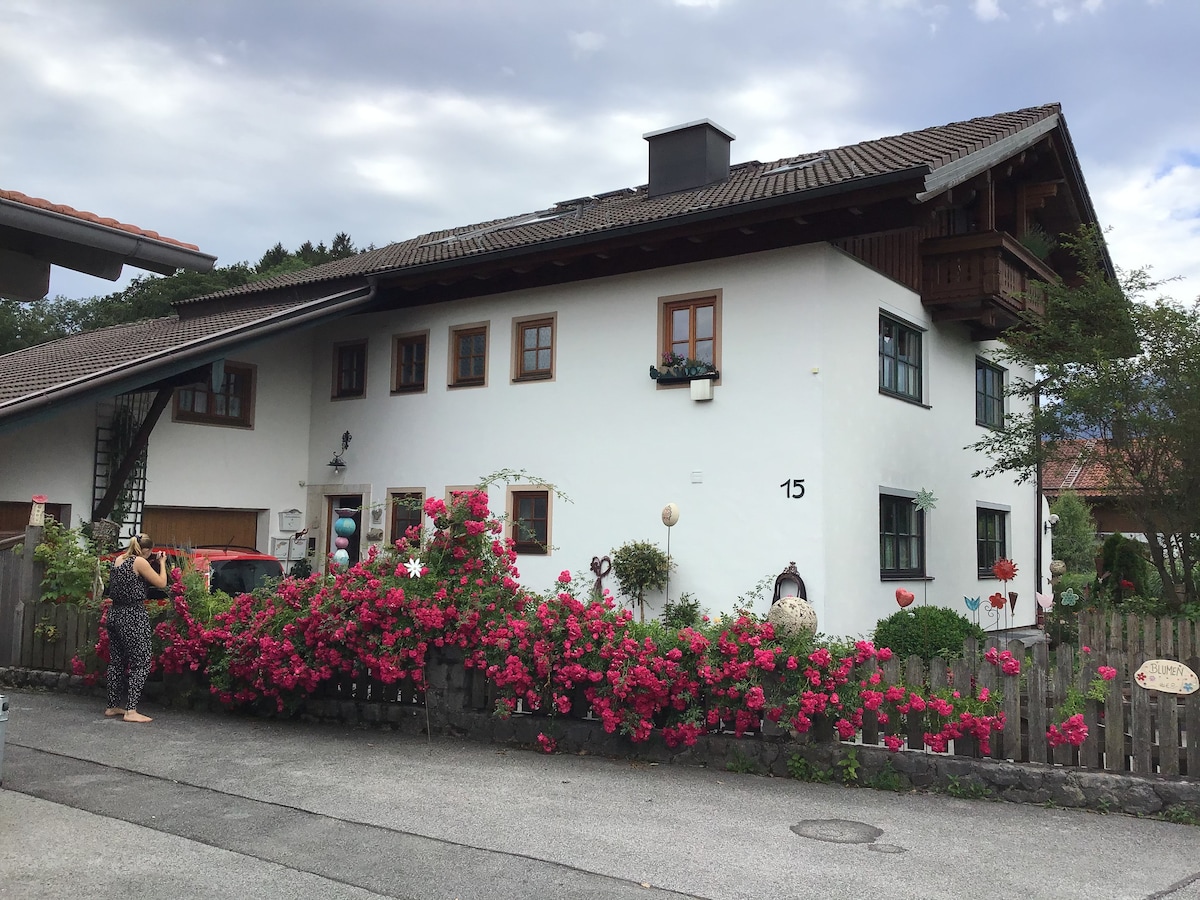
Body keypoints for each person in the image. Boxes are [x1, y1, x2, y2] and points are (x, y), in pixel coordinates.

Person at [103, 533, 168, 723]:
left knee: (117, 662)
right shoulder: (139, 561)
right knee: (141, 661)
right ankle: (131, 710)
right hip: (132, 615)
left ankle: (112, 706)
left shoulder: (118, 560)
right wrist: (162, 563)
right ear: (146, 550)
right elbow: (162, 583)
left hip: (115, 614)